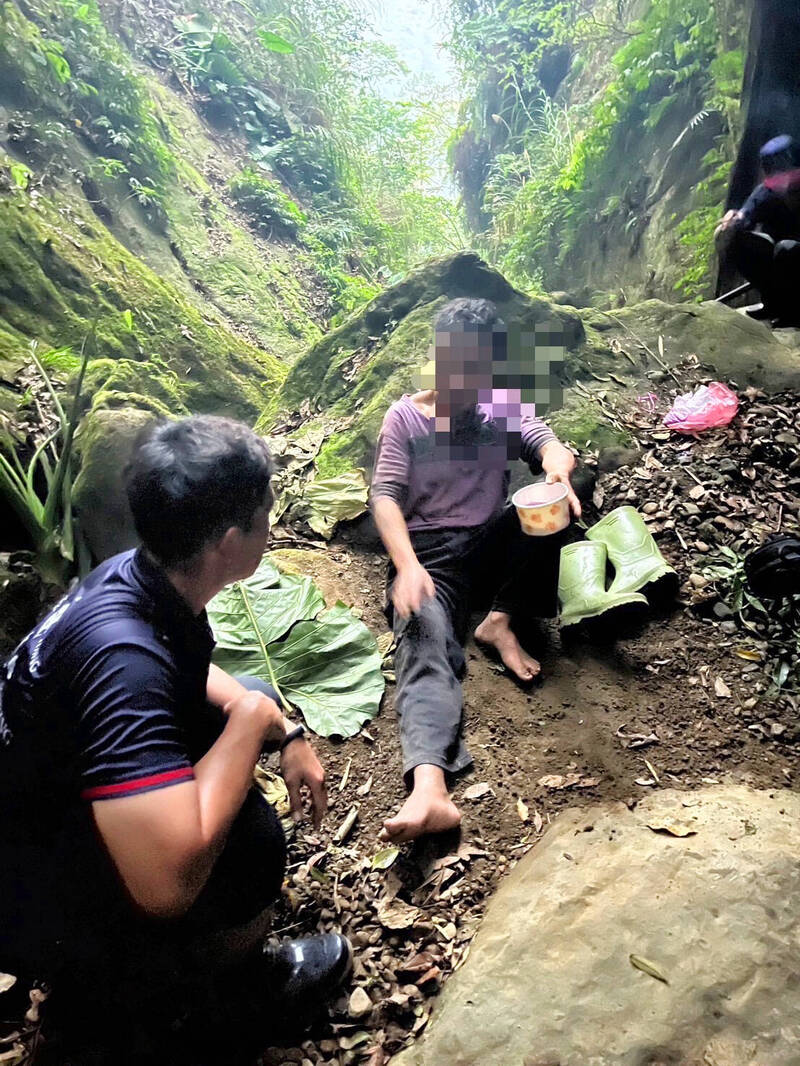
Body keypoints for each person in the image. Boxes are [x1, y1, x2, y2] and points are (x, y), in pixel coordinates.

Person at [0, 416, 350, 1064]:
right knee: (251, 844)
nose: (272, 521)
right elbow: (167, 886)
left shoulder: (137, 576)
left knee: (243, 691)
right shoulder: (123, 662)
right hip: (26, 887)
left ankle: (117, 973)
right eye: (264, 512)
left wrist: (279, 722)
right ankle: (194, 1004)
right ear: (228, 541)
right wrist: (250, 724)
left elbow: (191, 674)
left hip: (41, 799)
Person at [370, 298, 581, 844]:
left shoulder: (498, 406)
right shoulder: (405, 417)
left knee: (558, 499)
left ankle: (501, 620)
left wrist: (558, 463)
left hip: (487, 547)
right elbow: (386, 498)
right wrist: (407, 567)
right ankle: (428, 787)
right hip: (430, 560)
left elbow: (542, 440)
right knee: (423, 634)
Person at [715, 134, 800, 324]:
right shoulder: (767, 192)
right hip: (781, 261)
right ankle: (774, 304)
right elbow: (745, 216)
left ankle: (794, 311)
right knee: (733, 238)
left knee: (787, 249)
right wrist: (733, 220)